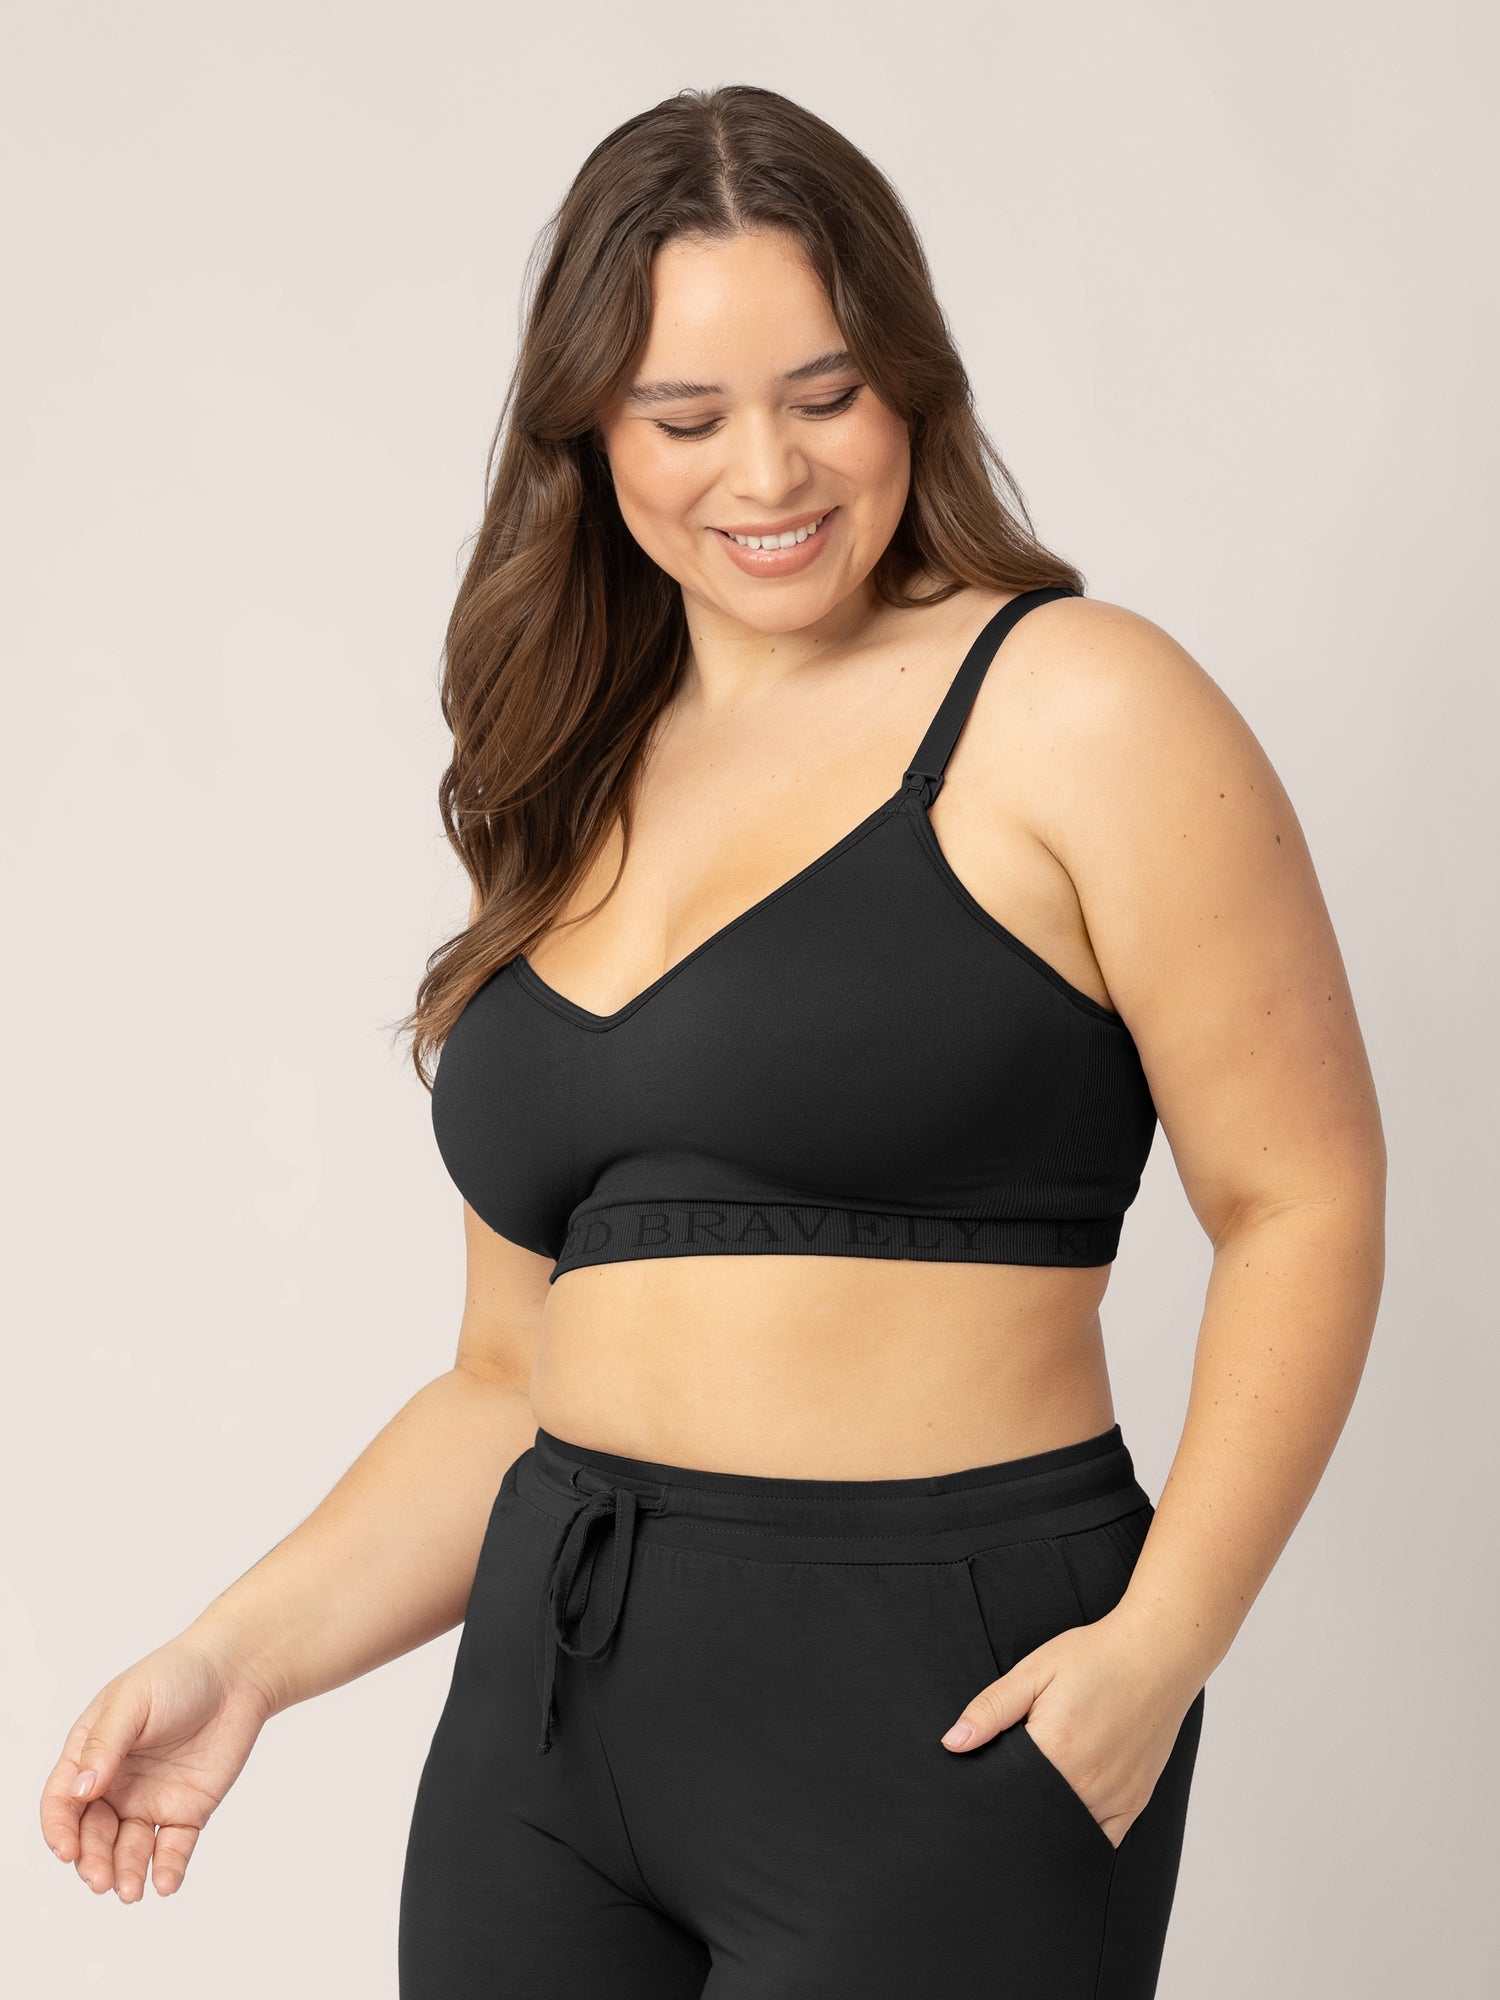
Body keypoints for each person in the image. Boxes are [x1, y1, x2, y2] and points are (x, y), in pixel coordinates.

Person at [39, 84, 1386, 2000]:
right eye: (687, 418)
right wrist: (233, 1658)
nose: (769, 471)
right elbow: (506, 1378)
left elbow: (1303, 1199)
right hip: (546, 1725)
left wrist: (1166, 1642)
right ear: (592, 432)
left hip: (940, 1715)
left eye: (828, 394)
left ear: (912, 384)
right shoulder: (567, 772)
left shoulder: (1078, 706)